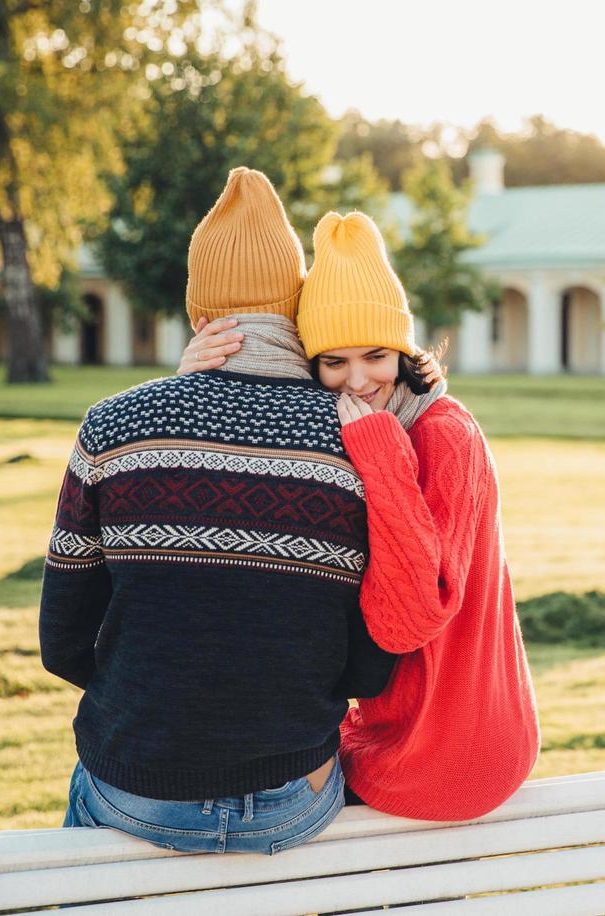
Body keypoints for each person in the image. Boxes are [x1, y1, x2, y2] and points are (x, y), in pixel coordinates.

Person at [42, 168, 393, 854]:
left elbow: (63, 641)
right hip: (293, 794)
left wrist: (162, 695)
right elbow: (372, 662)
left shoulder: (114, 427)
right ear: (296, 314)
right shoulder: (364, 444)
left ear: (200, 317)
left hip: (135, 788)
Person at [179, 210, 540, 821]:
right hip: (414, 725)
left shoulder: (441, 433)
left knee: (253, 785)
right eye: (333, 362)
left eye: (376, 354)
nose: (358, 379)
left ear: (403, 348)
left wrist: (379, 452)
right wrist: (192, 388)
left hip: (442, 749)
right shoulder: (351, 425)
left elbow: (409, 620)